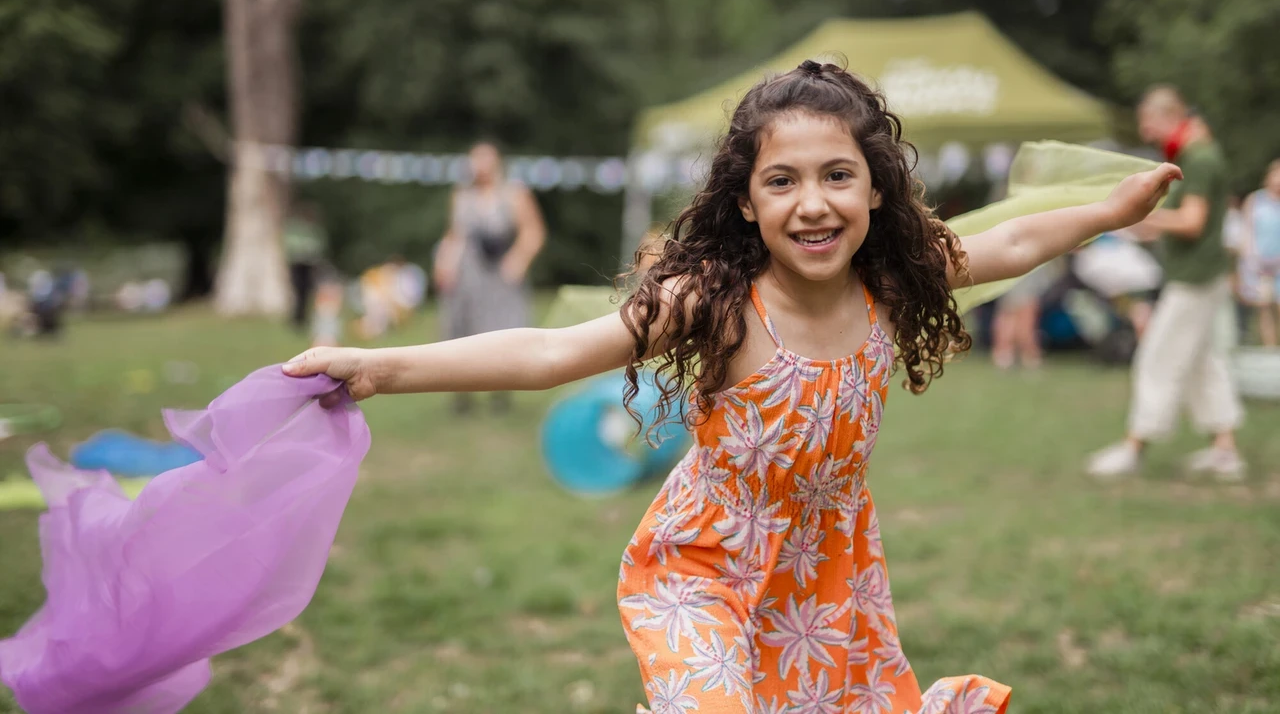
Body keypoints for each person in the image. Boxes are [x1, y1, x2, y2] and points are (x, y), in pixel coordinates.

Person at [284, 61, 1178, 714]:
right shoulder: (713, 303)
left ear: (875, 188)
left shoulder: (896, 281)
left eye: (838, 175)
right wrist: (380, 367)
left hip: (828, 582)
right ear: (747, 202)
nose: (814, 202)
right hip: (701, 567)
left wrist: (1108, 212)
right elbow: (549, 351)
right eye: (781, 181)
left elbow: (1014, 246)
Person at [1087, 86, 1246, 480]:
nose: (1146, 133)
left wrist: (1140, 218)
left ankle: (1135, 445)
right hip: (1198, 275)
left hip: (1194, 278)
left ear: (1170, 116)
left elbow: (1192, 222)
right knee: (1202, 363)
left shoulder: (1201, 158)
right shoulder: (1197, 155)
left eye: (1149, 122)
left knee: (1158, 356)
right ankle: (1225, 451)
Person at [434, 141, 546, 414]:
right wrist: (444, 263)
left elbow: (533, 231)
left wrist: (517, 261)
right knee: (461, 329)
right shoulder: (462, 195)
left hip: (499, 274)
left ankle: (501, 391)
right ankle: (461, 393)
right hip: (467, 274)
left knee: (501, 329)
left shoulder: (514, 194)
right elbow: (454, 235)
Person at [1238, 159, 1280, 346]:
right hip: (1260, 263)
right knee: (1263, 306)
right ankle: (1270, 347)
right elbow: (1247, 230)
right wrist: (1249, 258)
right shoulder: (1255, 200)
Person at [283, 202, 329, 332]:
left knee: (308, 293)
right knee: (298, 292)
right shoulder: (295, 230)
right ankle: (296, 319)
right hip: (298, 265)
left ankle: (305, 318)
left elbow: (319, 247)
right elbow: (292, 247)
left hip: (310, 266)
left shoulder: (315, 231)